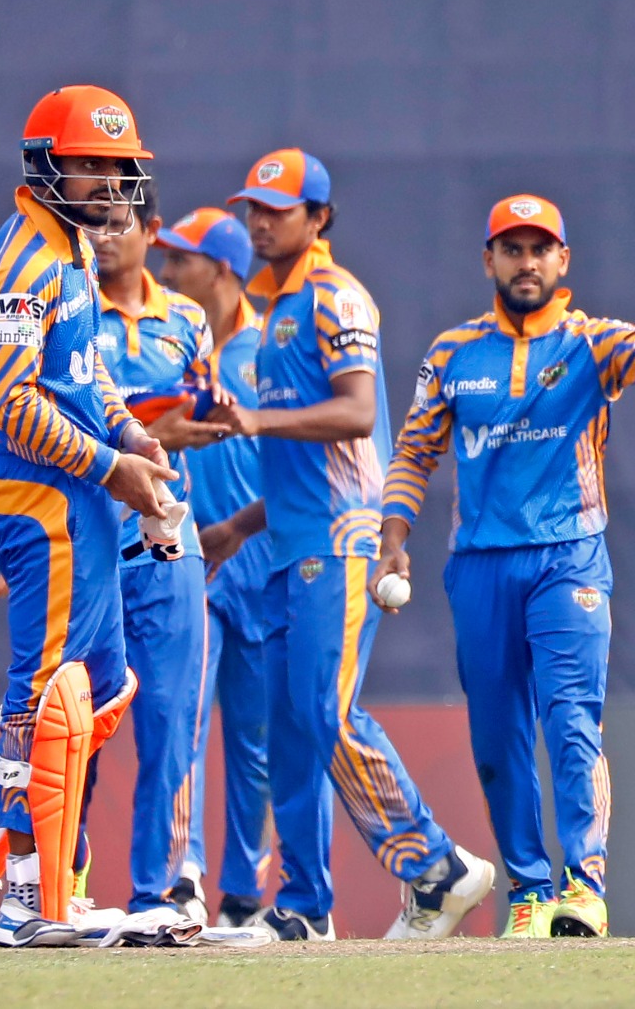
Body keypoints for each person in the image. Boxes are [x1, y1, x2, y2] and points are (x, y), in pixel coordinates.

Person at [202, 148, 494, 941]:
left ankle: (438, 868)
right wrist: (237, 525)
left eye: (278, 208)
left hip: (342, 545)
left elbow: (359, 414)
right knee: (293, 723)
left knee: (322, 714)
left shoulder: (335, 298)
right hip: (291, 543)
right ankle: (303, 907)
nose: (259, 221)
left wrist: (257, 421)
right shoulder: (277, 312)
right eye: (253, 208)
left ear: (318, 217)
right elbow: (305, 463)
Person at [0, 85, 175, 948]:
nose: (107, 180)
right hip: (38, 495)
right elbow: (4, 401)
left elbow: (82, 370)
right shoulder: (28, 255)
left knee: (100, 687)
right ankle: (22, 890)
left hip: (78, 490)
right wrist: (113, 467)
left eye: (117, 165)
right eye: (90, 164)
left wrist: (131, 430)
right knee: (48, 693)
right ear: (47, 165)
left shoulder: (71, 250)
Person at [378, 195, 635, 940]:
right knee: (497, 738)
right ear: (489, 261)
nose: (527, 262)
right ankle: (531, 893)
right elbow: (413, 452)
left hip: (568, 558)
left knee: (571, 720)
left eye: (541, 248)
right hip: (478, 567)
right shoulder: (451, 354)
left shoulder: (594, 343)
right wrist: (394, 533)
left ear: (563, 260)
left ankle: (585, 886)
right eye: (512, 248)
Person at [86, 192, 227, 917]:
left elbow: (197, 411)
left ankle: (167, 885)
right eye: (93, 226)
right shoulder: (68, 310)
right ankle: (57, 889)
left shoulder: (188, 319)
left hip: (169, 543)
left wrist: (197, 419)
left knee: (174, 717)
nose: (104, 239)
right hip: (85, 548)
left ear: (151, 232)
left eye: (119, 225)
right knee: (78, 724)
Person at [154, 207, 275, 928]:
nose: (167, 274)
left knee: (256, 738)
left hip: (262, 560)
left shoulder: (272, 347)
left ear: (222, 272)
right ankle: (183, 876)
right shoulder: (172, 345)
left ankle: (240, 894)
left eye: (181, 262)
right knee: (184, 720)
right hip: (192, 560)